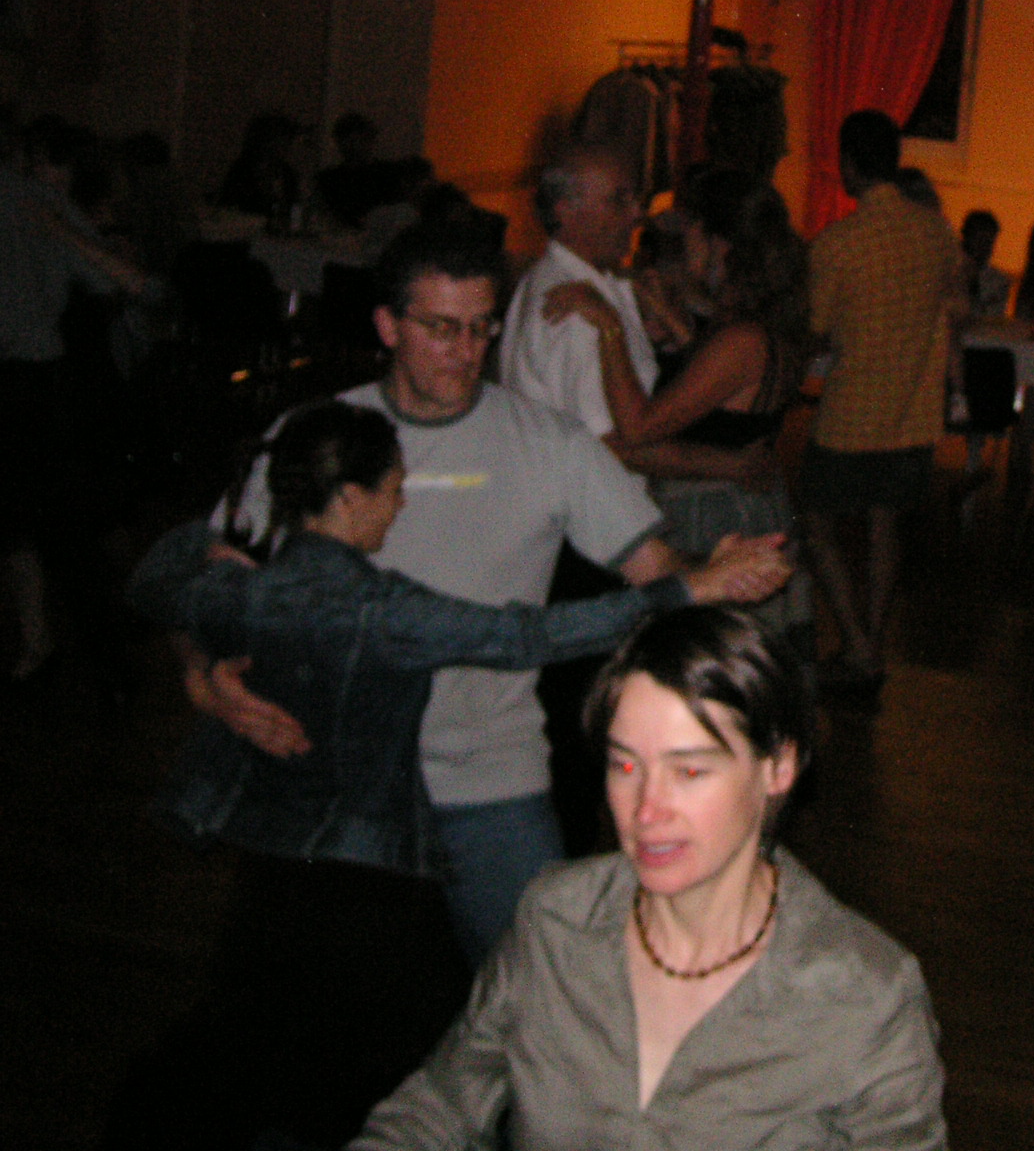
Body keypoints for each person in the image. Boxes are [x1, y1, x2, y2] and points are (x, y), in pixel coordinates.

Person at [107, 401, 769, 1150]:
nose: (399, 507)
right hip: (362, 878)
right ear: (350, 498)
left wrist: (208, 565)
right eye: (393, 490)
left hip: (266, 873)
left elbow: (151, 578)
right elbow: (527, 635)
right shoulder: (380, 608)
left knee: (270, 1060)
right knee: (383, 1070)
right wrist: (687, 589)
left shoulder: (240, 590)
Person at [195, 219, 789, 964]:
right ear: (388, 326)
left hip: (487, 779)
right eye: (442, 328)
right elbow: (212, 580)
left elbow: (657, 571)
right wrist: (204, 677)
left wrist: (715, 571)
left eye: (482, 328)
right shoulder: (315, 436)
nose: (467, 351)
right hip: (333, 780)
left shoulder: (548, 442)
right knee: (323, 991)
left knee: (538, 981)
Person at [352, 608, 947, 1149]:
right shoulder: (556, 920)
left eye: (689, 771)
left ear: (778, 767)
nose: (645, 810)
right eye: (625, 765)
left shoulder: (866, 996)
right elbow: (439, 1107)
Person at [544, 180, 813, 643]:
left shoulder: (743, 338)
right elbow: (716, 397)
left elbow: (639, 428)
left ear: (719, 245)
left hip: (715, 519)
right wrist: (669, 317)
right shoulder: (755, 325)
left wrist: (608, 326)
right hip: (733, 502)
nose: (684, 242)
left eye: (691, 231)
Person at [801, 110, 961, 703]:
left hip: (851, 415)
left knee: (816, 524)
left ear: (849, 163)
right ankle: (871, 645)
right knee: (883, 528)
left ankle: (857, 645)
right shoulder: (937, 234)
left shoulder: (837, 244)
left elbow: (817, 328)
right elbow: (952, 305)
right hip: (913, 413)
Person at [1, 115, 151, 681]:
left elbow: (123, 290)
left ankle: (103, 638)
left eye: (47, 161)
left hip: (66, 382)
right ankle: (59, 641)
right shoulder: (43, 211)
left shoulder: (55, 214)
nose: (38, 170)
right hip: (53, 378)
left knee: (67, 520)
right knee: (45, 522)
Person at [500, 142, 659, 438]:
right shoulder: (574, 310)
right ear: (567, 212)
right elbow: (605, 444)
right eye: (619, 200)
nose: (637, 213)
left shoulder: (566, 278)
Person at [959, 209, 1011, 320]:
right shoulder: (948, 271)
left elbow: (995, 316)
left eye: (988, 241)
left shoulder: (998, 281)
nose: (983, 246)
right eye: (979, 240)